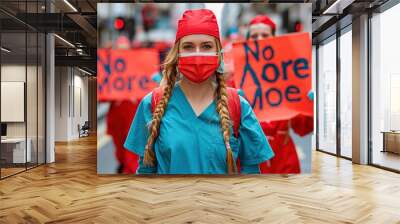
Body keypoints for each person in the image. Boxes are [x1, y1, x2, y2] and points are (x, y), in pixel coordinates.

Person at [124, 9, 274, 174]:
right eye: (188, 46)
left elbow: (251, 173)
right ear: (177, 53)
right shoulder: (151, 104)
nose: (197, 54)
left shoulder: (238, 106)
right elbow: (146, 171)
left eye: (206, 46)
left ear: (218, 53)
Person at [244, 15, 314, 174]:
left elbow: (302, 128)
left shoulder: (288, 76)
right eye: (254, 36)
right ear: (247, 41)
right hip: (251, 159)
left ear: (274, 39)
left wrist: (309, 106)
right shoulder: (237, 79)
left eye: (265, 35)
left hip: (284, 159)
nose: (260, 39)